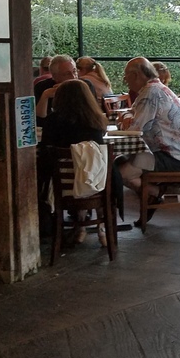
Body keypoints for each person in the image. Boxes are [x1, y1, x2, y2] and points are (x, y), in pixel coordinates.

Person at [40, 79, 119, 244]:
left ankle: (78, 226)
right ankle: (102, 229)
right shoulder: (97, 122)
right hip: (95, 185)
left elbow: (45, 155)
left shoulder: (52, 122)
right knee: (102, 169)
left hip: (63, 189)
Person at [117, 58, 180, 210]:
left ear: (136, 75)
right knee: (118, 164)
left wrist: (125, 119)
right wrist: (127, 117)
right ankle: (152, 196)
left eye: (126, 77)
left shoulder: (150, 93)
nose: (126, 81)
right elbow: (133, 117)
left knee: (118, 173)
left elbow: (134, 129)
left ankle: (154, 193)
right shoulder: (157, 88)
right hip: (177, 153)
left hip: (171, 158)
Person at [35, 54, 96, 126]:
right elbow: (39, 118)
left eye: (74, 71)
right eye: (67, 74)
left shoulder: (85, 85)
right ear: (55, 76)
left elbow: (91, 114)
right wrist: (45, 95)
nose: (73, 77)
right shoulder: (42, 87)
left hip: (81, 128)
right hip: (52, 130)